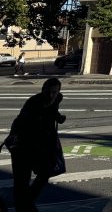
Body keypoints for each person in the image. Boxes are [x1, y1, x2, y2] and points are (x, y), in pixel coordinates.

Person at [1, 78, 66, 212]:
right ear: (43, 90)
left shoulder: (56, 100)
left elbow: (53, 112)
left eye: (54, 92)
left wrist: (59, 118)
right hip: (22, 149)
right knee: (21, 183)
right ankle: (24, 206)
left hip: (40, 149)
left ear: (58, 92)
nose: (51, 95)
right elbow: (20, 123)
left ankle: (26, 203)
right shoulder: (33, 103)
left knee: (45, 173)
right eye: (48, 92)